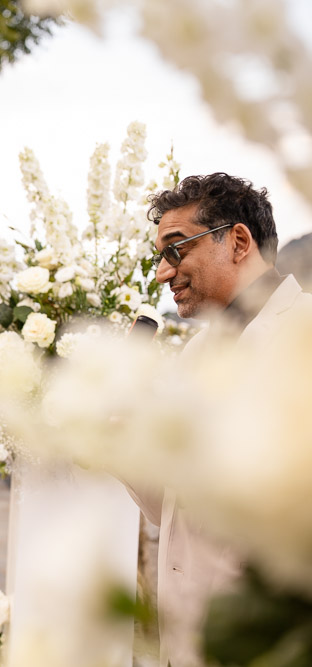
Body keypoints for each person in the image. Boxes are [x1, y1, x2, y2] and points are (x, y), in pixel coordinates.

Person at [128, 172, 312, 667]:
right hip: (186, 642)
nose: (164, 274)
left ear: (237, 241)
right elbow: (170, 509)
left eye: (176, 249)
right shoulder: (194, 355)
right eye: (160, 258)